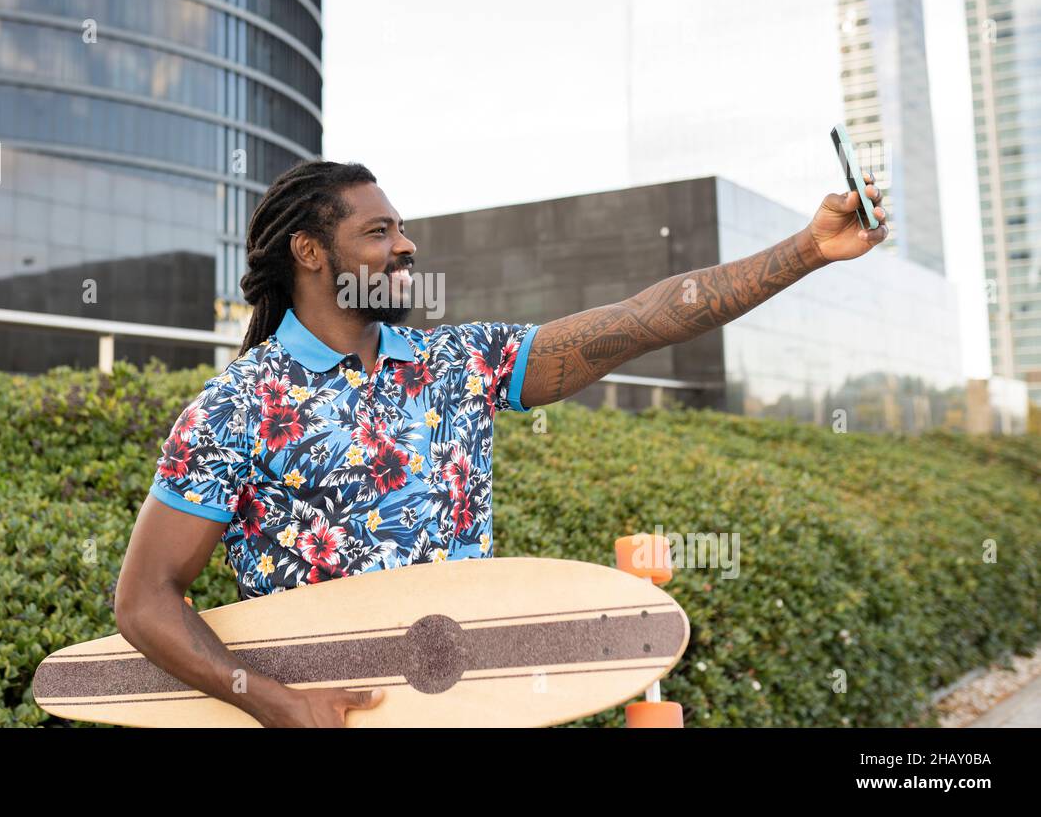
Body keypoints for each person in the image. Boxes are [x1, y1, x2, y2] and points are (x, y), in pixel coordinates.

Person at [114, 158, 888, 727]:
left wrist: (808, 250)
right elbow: (145, 599)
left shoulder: (462, 363)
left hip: (476, 712)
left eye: (403, 228)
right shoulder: (238, 406)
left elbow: (647, 317)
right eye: (378, 232)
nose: (407, 246)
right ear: (310, 253)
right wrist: (275, 704)